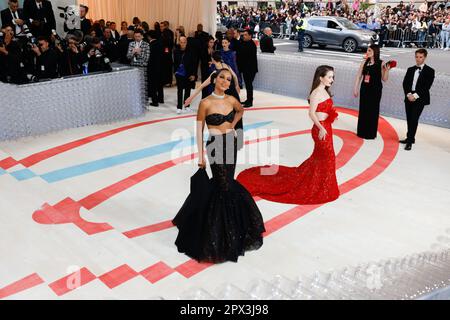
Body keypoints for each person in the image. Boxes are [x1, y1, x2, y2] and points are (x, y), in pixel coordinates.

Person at [172, 68, 265, 264]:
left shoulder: (231, 100)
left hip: (230, 144)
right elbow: (199, 131)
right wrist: (200, 156)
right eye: (222, 77)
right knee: (224, 184)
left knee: (226, 183)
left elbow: (241, 110)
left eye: (229, 79)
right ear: (215, 79)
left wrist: (233, 125)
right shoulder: (205, 103)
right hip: (214, 146)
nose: (225, 81)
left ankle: (227, 225)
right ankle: (223, 230)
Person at [236, 65, 340, 205]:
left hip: (327, 127)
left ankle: (322, 185)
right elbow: (311, 113)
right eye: (329, 77)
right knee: (327, 157)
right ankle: (320, 186)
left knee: (322, 158)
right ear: (321, 78)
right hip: (320, 129)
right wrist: (321, 127)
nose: (332, 80)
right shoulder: (316, 93)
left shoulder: (326, 91)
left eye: (332, 77)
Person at [353, 45, 391, 140]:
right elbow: (359, 76)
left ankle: (370, 133)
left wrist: (387, 71)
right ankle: (361, 132)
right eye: (367, 50)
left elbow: (384, 79)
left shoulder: (381, 63)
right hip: (365, 89)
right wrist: (355, 88)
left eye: (369, 50)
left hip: (375, 90)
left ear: (375, 51)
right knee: (363, 109)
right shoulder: (364, 62)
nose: (368, 52)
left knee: (373, 111)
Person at [400, 49, 435, 151]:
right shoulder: (410, 69)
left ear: (425, 57)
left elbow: (426, 87)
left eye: (420, 57)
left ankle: (410, 141)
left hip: (420, 99)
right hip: (409, 97)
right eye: (416, 57)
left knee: (414, 118)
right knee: (409, 118)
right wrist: (408, 94)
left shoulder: (430, 71)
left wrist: (414, 96)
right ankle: (410, 137)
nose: (418, 59)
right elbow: (405, 83)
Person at [173, 36, 196, 114]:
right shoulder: (176, 51)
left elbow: (194, 63)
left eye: (184, 42)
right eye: (181, 42)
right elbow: (174, 63)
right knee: (179, 90)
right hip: (179, 73)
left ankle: (187, 105)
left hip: (188, 73)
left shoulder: (191, 51)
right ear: (179, 42)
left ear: (186, 42)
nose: (182, 44)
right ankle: (179, 107)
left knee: (187, 90)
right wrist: (175, 72)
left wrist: (193, 74)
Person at [238, 29, 258, 108]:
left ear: (250, 36)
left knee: (249, 85)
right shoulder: (246, 43)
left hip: (250, 69)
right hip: (246, 69)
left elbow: (245, 56)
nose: (244, 36)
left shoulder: (251, 45)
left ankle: (250, 101)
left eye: (246, 35)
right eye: (243, 35)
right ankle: (248, 99)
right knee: (248, 85)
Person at [147, 30, 164, 107]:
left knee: (153, 85)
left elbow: (149, 58)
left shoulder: (150, 45)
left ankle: (155, 101)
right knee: (160, 84)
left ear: (149, 36)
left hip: (152, 67)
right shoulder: (160, 43)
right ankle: (161, 99)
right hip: (160, 66)